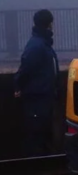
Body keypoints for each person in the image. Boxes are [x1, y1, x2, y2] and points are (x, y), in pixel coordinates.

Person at [14, 9, 60, 157]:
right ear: (49, 24)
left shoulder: (40, 44)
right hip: (37, 99)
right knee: (37, 136)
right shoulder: (38, 46)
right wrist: (18, 85)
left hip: (42, 98)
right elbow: (26, 69)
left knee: (42, 135)